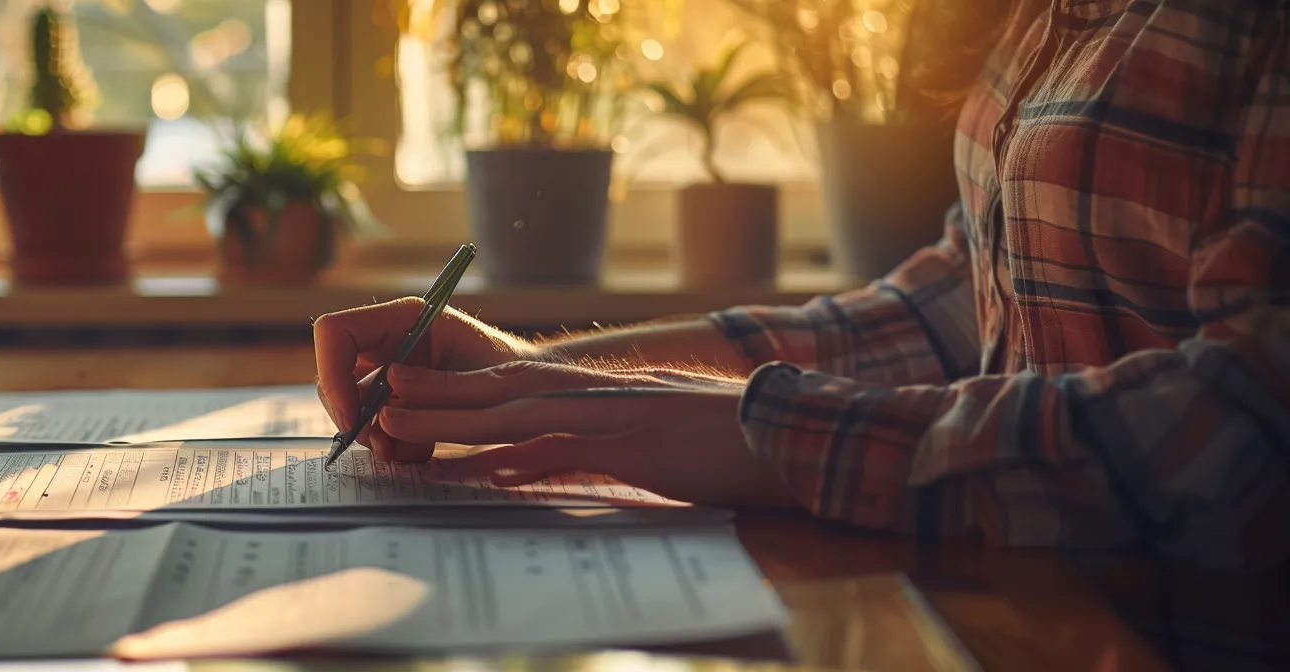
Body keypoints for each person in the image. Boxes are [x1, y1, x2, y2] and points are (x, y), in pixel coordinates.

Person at [314, 0, 1289, 578]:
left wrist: (766, 430)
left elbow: (1249, 423)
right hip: (1026, 605)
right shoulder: (1049, 15)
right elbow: (953, 303)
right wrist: (543, 370)